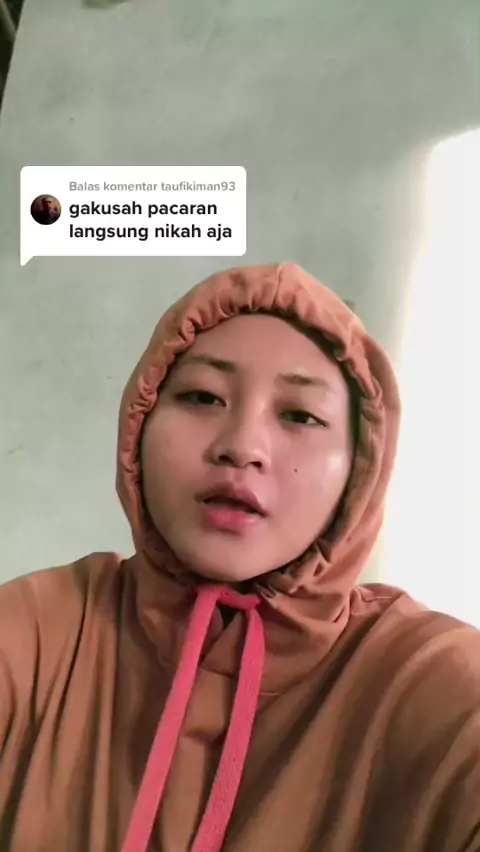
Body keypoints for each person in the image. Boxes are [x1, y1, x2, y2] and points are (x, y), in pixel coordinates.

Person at [0, 263, 478, 852]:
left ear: (361, 466)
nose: (242, 446)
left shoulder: (431, 681)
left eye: (300, 415)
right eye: (202, 397)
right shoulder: (45, 631)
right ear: (139, 424)